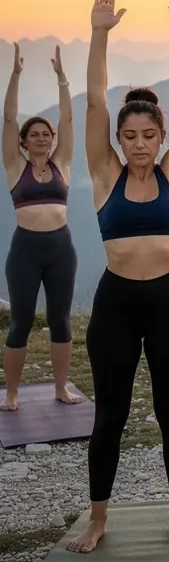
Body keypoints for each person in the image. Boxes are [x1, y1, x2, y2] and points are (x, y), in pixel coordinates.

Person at [67, 0, 169, 554]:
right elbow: (95, 102)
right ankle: (98, 519)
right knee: (110, 418)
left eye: (149, 135)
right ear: (118, 141)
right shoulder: (106, 175)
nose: (140, 144)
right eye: (130, 136)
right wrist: (98, 33)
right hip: (116, 306)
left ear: (162, 137)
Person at [2, 44, 80, 410]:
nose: (42, 138)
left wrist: (62, 79)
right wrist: (16, 75)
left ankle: (61, 388)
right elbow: (8, 119)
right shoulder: (16, 167)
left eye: (46, 134)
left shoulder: (62, 163)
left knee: (60, 320)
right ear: (23, 142)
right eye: (34, 134)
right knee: (20, 322)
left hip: (61, 249)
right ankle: (12, 393)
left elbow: (68, 121)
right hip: (26, 251)